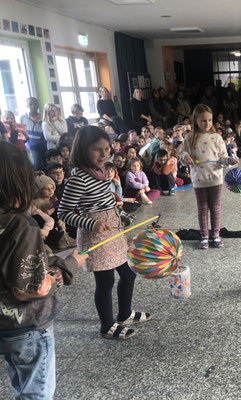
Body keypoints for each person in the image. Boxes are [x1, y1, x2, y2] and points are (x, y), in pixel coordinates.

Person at [0, 141, 87, 399]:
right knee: (34, 393)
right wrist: (70, 264)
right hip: (26, 327)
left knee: (20, 382)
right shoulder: (21, 225)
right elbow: (31, 289)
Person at [58, 126, 151, 340]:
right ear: (83, 150)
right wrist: (91, 224)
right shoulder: (78, 178)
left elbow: (102, 199)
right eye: (97, 150)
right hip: (96, 235)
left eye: (106, 149)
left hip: (113, 231)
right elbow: (63, 213)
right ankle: (107, 326)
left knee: (128, 273)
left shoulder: (100, 171)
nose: (103, 154)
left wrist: (117, 209)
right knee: (106, 281)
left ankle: (124, 313)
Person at [179, 104, 238, 249]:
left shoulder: (217, 137)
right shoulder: (189, 137)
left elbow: (222, 156)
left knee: (215, 207)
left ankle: (216, 234)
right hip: (199, 179)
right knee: (202, 208)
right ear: (196, 120)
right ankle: (204, 235)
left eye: (210, 120)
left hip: (215, 178)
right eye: (203, 120)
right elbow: (182, 154)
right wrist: (185, 156)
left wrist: (228, 160)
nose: (207, 123)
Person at [20, 97, 46, 170]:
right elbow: (21, 133)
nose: (33, 106)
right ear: (27, 106)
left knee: (44, 165)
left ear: (38, 105)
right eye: (30, 104)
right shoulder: (23, 118)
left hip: (43, 145)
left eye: (35, 104)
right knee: (36, 165)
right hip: (30, 146)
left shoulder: (44, 117)